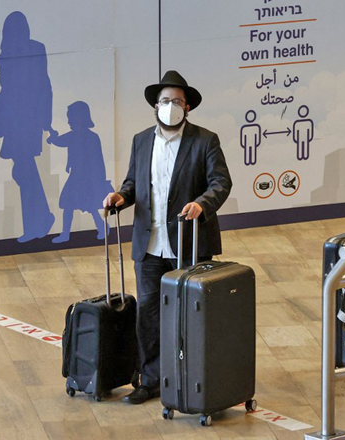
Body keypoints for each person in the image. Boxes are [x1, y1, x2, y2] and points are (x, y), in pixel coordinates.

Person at [103, 70, 232, 404]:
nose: (170, 106)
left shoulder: (205, 140)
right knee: (147, 314)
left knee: (190, 314)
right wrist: (121, 197)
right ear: (155, 106)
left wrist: (202, 204)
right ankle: (150, 380)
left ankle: (191, 379)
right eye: (165, 101)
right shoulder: (141, 140)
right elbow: (134, 183)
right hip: (149, 245)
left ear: (187, 107)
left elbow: (220, 183)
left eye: (177, 101)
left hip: (189, 244)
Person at [0, 11, 54, 242]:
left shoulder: (28, 50)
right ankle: (42, 219)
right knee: (23, 169)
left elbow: (43, 83)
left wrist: (45, 120)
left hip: (25, 118)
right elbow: (39, 84)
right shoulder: (9, 53)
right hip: (18, 117)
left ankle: (38, 223)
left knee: (24, 169)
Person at [47, 101, 112, 243]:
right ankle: (67, 233)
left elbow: (98, 161)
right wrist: (53, 136)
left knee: (87, 205)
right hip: (77, 176)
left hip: (86, 178)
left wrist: (52, 136)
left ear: (79, 117)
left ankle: (100, 228)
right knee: (72, 205)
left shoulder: (87, 137)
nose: (69, 121)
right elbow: (59, 141)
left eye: (70, 117)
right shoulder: (79, 136)